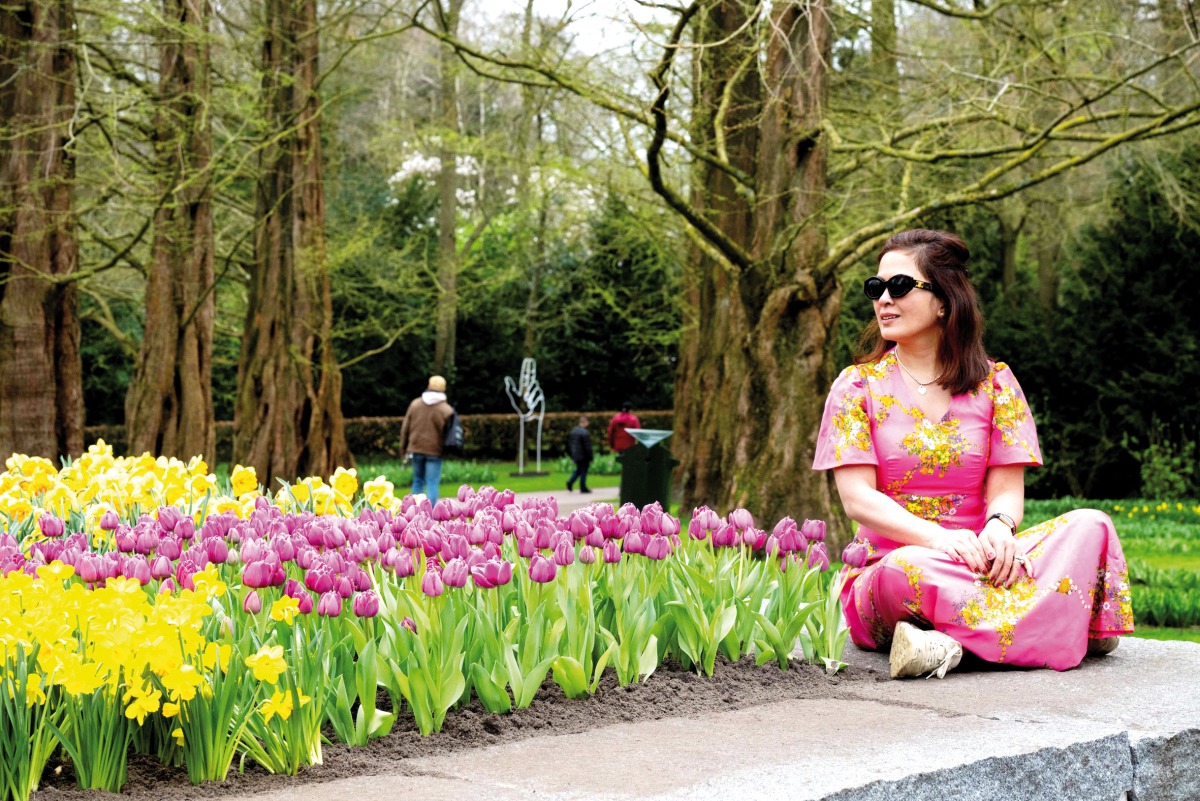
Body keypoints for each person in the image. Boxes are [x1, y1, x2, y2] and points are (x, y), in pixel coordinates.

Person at [812, 228, 1133, 680]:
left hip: (984, 564)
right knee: (908, 568)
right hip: (894, 570)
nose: (883, 299)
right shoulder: (856, 387)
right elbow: (857, 499)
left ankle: (945, 645)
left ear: (944, 300)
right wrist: (939, 539)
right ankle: (1065, 624)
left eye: (899, 286)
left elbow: (1005, 491)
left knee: (1091, 524)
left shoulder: (997, 384)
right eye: (875, 288)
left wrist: (1001, 529)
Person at [399, 375, 455, 504]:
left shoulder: (415, 404)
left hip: (416, 448)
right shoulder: (446, 410)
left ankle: (413, 513)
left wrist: (403, 449)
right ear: (444, 389)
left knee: (418, 480)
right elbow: (450, 435)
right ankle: (429, 515)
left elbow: (405, 429)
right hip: (435, 451)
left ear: (428, 386)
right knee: (432, 483)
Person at [566, 415, 594, 494]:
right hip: (583, 456)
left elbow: (570, 444)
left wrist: (572, 454)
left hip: (575, 455)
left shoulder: (574, 431)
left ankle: (570, 481)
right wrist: (590, 457)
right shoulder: (585, 433)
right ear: (585, 422)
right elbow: (587, 447)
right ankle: (583, 487)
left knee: (578, 470)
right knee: (583, 471)